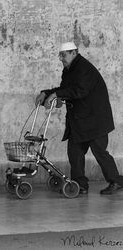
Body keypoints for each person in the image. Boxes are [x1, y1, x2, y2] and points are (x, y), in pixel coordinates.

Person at [35, 41, 123, 195]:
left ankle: (116, 181)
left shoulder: (84, 68)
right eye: (60, 55)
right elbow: (65, 89)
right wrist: (46, 93)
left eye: (64, 55)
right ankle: (79, 185)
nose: (61, 58)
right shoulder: (69, 69)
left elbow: (80, 91)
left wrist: (57, 95)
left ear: (74, 53)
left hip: (95, 120)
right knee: (74, 152)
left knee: (100, 152)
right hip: (80, 120)